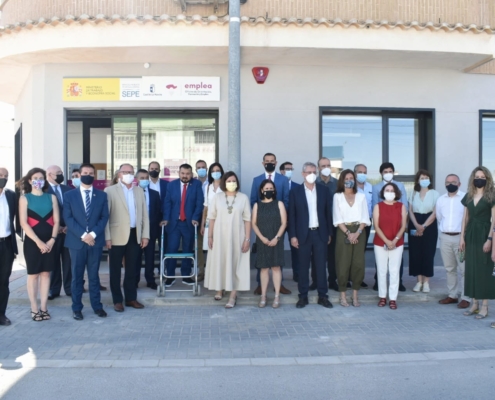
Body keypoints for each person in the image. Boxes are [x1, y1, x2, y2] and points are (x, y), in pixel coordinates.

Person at [63, 163, 109, 320]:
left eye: (91, 173)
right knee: (77, 276)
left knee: (94, 276)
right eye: (85, 172)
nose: (88, 175)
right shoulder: (69, 195)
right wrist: (84, 235)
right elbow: (68, 218)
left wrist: (93, 234)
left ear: (94, 176)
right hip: (77, 242)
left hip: (95, 242)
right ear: (79, 175)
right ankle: (77, 308)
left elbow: (104, 217)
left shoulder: (102, 195)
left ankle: (97, 306)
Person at [105, 163, 150, 312]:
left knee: (132, 269)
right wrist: (107, 237)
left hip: (134, 234)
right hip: (116, 235)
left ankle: (131, 298)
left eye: (131, 172)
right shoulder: (110, 191)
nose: (128, 174)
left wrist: (145, 235)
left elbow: (144, 215)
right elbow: (106, 216)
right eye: (125, 172)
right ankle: (117, 300)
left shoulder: (139, 191)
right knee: (115, 270)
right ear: (119, 174)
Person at [289, 162, 333, 309]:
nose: (312, 174)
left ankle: (323, 296)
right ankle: (303, 296)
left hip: (320, 234)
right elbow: (292, 216)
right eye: (309, 172)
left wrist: (329, 234)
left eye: (314, 172)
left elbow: (328, 213)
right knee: (303, 267)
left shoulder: (323, 190)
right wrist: (293, 236)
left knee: (321, 266)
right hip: (303, 235)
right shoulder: (295, 192)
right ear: (303, 174)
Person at [18, 168, 60, 321]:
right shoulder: (25, 198)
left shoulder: (51, 198)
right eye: (35, 178)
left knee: (46, 273)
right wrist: (39, 242)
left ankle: (44, 307)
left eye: (41, 178)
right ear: (30, 181)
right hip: (32, 242)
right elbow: (24, 223)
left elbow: (56, 221)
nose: (38, 181)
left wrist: (52, 240)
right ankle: (34, 308)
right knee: (33, 275)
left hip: (50, 242)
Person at [204, 171, 251, 308]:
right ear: (224, 182)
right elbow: (211, 218)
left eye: (234, 181)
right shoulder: (217, 198)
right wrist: (210, 236)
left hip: (238, 236)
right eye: (229, 181)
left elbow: (247, 220)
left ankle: (233, 295)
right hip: (219, 236)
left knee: (236, 263)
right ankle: (220, 288)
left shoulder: (243, 198)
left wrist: (247, 239)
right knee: (221, 261)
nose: (232, 183)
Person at [250, 153, 291, 295]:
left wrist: (280, 217)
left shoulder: (283, 179)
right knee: (262, 255)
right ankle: (261, 285)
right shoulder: (256, 180)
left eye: (272, 161)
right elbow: (253, 200)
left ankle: (279, 285)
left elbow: (286, 200)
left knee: (277, 256)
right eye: (267, 161)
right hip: (262, 224)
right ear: (263, 163)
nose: (269, 163)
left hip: (279, 223)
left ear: (276, 162)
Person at [460, 166, 495, 320]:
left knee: (484, 270)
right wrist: (462, 237)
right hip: (471, 234)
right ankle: (474, 304)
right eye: (477, 176)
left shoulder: (491, 196)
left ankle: (485, 306)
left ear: (487, 179)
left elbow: (494, 220)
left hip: (484, 233)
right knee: (472, 269)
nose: (479, 179)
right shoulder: (469, 196)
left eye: (482, 176)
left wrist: (489, 239)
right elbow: (465, 218)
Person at [161, 164, 204, 287]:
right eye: (183, 173)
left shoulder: (196, 184)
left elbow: (199, 203)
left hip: (189, 223)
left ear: (191, 174)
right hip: (174, 223)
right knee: (171, 250)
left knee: (187, 250)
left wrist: (196, 218)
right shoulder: (171, 185)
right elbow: (167, 203)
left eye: (188, 173)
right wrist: (165, 219)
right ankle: (170, 276)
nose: (185, 176)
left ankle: (186, 276)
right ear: (179, 173)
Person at [333, 169, 370, 307]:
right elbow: (337, 218)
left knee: (358, 264)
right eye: (346, 178)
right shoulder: (337, 196)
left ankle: (355, 295)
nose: (349, 180)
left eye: (351, 178)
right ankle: (343, 295)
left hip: (359, 231)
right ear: (342, 180)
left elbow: (365, 217)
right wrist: (349, 233)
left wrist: (357, 233)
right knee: (343, 263)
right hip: (343, 230)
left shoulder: (361, 196)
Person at [372, 162, 409, 292]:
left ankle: (399, 282)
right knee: (381, 262)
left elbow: (405, 204)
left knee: (397, 260)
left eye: (390, 171)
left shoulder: (400, 186)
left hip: (397, 225)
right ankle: (379, 283)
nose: (388, 173)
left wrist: (400, 221)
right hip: (383, 225)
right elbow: (374, 206)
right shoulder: (376, 187)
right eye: (385, 171)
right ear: (381, 173)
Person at [436, 174, 470, 309]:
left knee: (464, 269)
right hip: (445, 237)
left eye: (453, 182)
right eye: (448, 182)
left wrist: (463, 237)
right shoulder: (440, 200)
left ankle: (466, 297)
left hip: (461, 238)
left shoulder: (466, 198)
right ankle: (452, 295)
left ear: (459, 184)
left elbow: (469, 218)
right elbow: (439, 217)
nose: (450, 184)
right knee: (449, 268)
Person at [252, 179, 287, 308]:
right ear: (262, 190)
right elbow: (253, 224)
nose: (268, 191)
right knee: (264, 268)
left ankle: (277, 296)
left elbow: (284, 223)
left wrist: (277, 237)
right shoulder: (257, 205)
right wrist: (262, 238)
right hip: (262, 241)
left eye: (271, 189)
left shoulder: (279, 204)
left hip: (276, 240)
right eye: (266, 189)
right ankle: (263, 295)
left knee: (276, 267)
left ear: (274, 190)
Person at [373, 183, 407, 309]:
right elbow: (376, 226)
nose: (389, 192)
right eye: (387, 190)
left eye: (392, 190)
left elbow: (403, 226)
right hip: (380, 242)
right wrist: (387, 241)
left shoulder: (401, 206)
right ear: (383, 192)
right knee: (381, 270)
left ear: (396, 192)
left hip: (397, 243)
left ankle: (393, 298)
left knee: (394, 271)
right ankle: (382, 296)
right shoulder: (378, 206)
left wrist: (395, 240)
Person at [408, 169, 439, 292]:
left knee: (428, 253)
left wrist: (423, 226)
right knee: (416, 253)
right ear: (418, 180)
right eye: (422, 178)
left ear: (430, 180)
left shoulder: (435, 194)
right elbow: (410, 210)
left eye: (426, 178)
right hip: (414, 221)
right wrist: (416, 225)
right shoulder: (413, 193)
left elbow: (435, 212)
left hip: (429, 224)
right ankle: (418, 281)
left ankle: (426, 282)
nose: (424, 180)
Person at [46, 165, 72, 300]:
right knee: (53, 262)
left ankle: (69, 288)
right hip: (52, 233)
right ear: (49, 175)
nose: (61, 175)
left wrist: (68, 226)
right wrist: (56, 227)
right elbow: (43, 213)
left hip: (68, 232)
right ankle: (54, 290)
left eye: (61, 172)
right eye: (58, 173)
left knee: (69, 262)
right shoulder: (44, 190)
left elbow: (73, 210)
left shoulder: (67, 189)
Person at [314, 157, 338, 291]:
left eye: (328, 165)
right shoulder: (313, 183)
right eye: (323, 166)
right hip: (318, 224)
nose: (326, 167)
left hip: (334, 224)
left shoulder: (337, 183)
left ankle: (332, 280)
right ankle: (316, 281)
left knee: (333, 255)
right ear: (318, 168)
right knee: (317, 255)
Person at [135, 169, 162, 290]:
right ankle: (134, 281)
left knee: (150, 257)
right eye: (142, 178)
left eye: (146, 178)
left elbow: (158, 211)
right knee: (135, 257)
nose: (144, 180)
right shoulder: (132, 193)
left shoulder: (155, 194)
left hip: (151, 230)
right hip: (135, 231)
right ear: (137, 179)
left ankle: (150, 280)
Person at [0, 167, 18, 326]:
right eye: (0, 175)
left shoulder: (11, 195)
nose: (3, 178)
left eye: (6, 176)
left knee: (3, 281)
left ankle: (1, 314)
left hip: (6, 244)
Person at [280, 161, 300, 282]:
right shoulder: (274, 185)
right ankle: (279, 275)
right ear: (281, 171)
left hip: (294, 222)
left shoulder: (297, 186)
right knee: (278, 248)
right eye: (287, 169)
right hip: (279, 222)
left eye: (291, 169)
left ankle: (297, 274)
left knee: (296, 248)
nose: (290, 171)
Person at [148, 161, 169, 278]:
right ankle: (149, 274)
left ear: (159, 170)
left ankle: (162, 270)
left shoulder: (167, 185)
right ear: (148, 169)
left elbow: (169, 203)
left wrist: (166, 218)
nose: (154, 170)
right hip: (150, 221)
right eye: (152, 168)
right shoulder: (144, 185)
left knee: (164, 247)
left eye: (156, 168)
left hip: (164, 221)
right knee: (150, 249)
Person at [354, 164, 372, 288]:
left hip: (367, 223)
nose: (362, 174)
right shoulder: (351, 187)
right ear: (355, 173)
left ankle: (359, 278)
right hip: (354, 223)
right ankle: (349, 278)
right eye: (360, 172)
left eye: (364, 172)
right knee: (352, 252)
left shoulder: (370, 187)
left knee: (361, 252)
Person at [201, 162, 224, 256]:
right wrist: (202, 224)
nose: (215, 173)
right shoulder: (208, 187)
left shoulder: (226, 186)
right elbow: (206, 207)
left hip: (223, 221)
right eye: (213, 171)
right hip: (209, 222)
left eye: (217, 171)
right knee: (211, 248)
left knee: (222, 248)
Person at [195, 160, 208, 282]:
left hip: (210, 218)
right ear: (195, 170)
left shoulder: (213, 183)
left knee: (211, 245)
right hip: (197, 218)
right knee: (198, 247)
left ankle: (210, 271)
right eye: (199, 167)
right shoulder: (193, 183)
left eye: (203, 167)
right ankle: (201, 271)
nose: (201, 169)